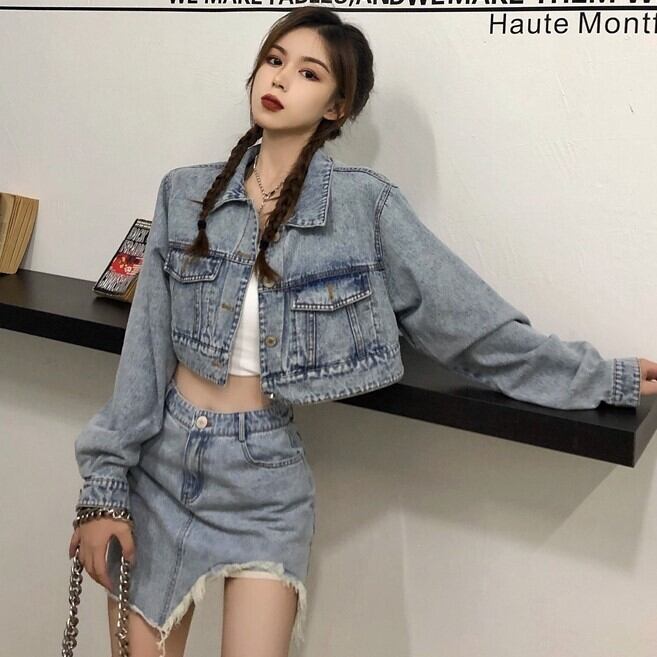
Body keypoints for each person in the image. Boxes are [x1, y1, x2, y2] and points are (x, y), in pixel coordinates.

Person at [67, 7, 657, 657]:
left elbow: (469, 325)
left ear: (337, 106)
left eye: (308, 72)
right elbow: (144, 358)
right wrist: (103, 491)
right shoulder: (184, 194)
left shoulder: (364, 207)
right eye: (273, 60)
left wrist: (603, 377)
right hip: (159, 469)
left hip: (264, 483)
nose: (280, 78)